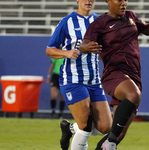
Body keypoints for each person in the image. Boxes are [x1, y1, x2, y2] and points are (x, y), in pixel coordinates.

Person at [79, 0, 149, 149]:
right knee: (133, 95)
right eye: (119, 0)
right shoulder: (100, 22)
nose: (124, 3)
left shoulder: (131, 16)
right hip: (114, 73)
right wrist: (88, 46)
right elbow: (84, 44)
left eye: (126, 0)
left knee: (118, 135)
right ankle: (109, 143)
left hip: (134, 76)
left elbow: (148, 29)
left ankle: (108, 143)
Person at [45, 0, 112, 149]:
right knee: (85, 126)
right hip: (73, 79)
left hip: (93, 80)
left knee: (106, 127)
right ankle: (77, 131)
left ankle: (70, 129)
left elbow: (103, 49)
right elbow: (50, 49)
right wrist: (66, 52)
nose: (88, 1)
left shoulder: (100, 21)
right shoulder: (67, 22)